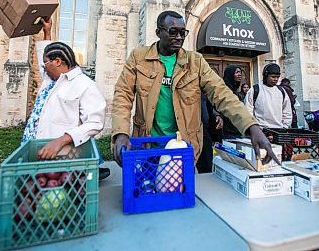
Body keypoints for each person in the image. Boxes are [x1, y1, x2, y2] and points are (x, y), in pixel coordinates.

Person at [111, 10, 280, 167]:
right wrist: (121, 133)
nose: (179, 37)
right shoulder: (139, 57)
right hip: (146, 145)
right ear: (158, 33)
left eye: (182, 32)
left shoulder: (195, 62)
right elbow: (122, 95)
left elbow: (222, 93)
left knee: (181, 194)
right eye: (173, 32)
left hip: (183, 147)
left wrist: (252, 127)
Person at [22, 19, 110, 180]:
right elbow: (45, 51)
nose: (43, 67)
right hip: (37, 149)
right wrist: (47, 32)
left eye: (45, 63)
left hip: (60, 154)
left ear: (57, 62)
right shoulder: (51, 80)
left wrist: (62, 140)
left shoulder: (85, 85)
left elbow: (95, 122)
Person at [244, 63, 292, 129]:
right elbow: (248, 110)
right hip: (261, 130)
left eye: (277, 77)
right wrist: (253, 128)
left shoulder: (281, 91)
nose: (276, 79)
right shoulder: (255, 90)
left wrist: (285, 126)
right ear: (266, 76)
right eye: (273, 77)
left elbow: (287, 111)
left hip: (279, 130)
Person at [196, 93, 223, 173]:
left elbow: (208, 105)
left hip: (204, 131)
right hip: (188, 130)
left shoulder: (203, 87)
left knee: (207, 168)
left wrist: (216, 115)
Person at [222, 65, 244, 139]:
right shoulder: (223, 90)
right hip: (227, 131)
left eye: (240, 72)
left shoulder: (236, 91)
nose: (240, 74)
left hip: (238, 129)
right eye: (237, 72)